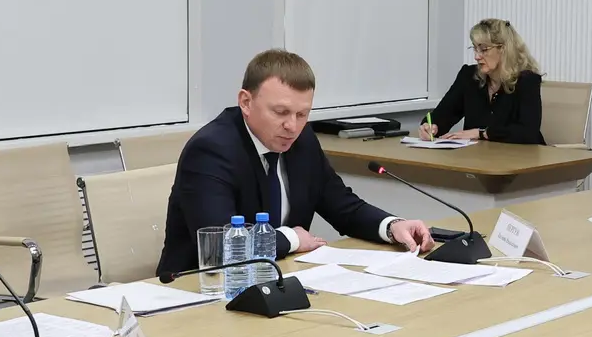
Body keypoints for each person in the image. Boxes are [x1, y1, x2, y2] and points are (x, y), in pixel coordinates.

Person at [157, 49, 435, 279]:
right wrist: (290, 238)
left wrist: (392, 226)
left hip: (279, 279)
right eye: (281, 112)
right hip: (199, 290)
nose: (292, 126)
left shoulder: (302, 141)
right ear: (246, 102)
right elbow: (224, 244)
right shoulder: (211, 149)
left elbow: (342, 206)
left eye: (302, 114)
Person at [418, 18, 545, 145]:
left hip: (520, 155)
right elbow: (443, 114)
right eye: (475, 48)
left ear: (503, 49)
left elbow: (528, 132)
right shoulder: (468, 76)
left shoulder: (527, 80)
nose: (476, 56)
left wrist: (482, 133)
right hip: (476, 155)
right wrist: (430, 127)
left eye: (484, 50)